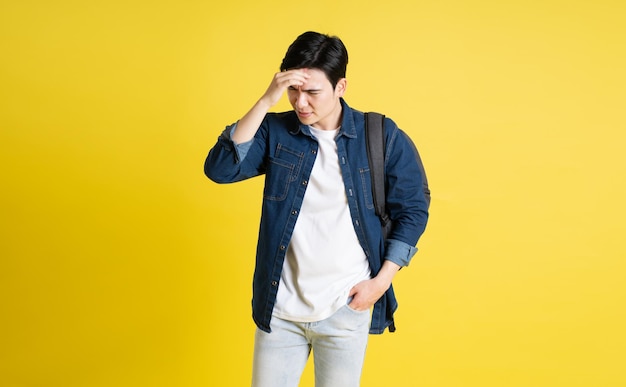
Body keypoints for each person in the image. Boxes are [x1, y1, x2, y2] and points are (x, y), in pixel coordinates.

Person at [204, 31, 429, 387]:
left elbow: (414, 208)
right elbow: (220, 169)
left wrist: (380, 283)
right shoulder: (276, 131)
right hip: (280, 310)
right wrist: (266, 100)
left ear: (341, 87)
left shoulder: (381, 135)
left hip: (344, 308)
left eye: (312, 92)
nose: (300, 103)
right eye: (294, 90)